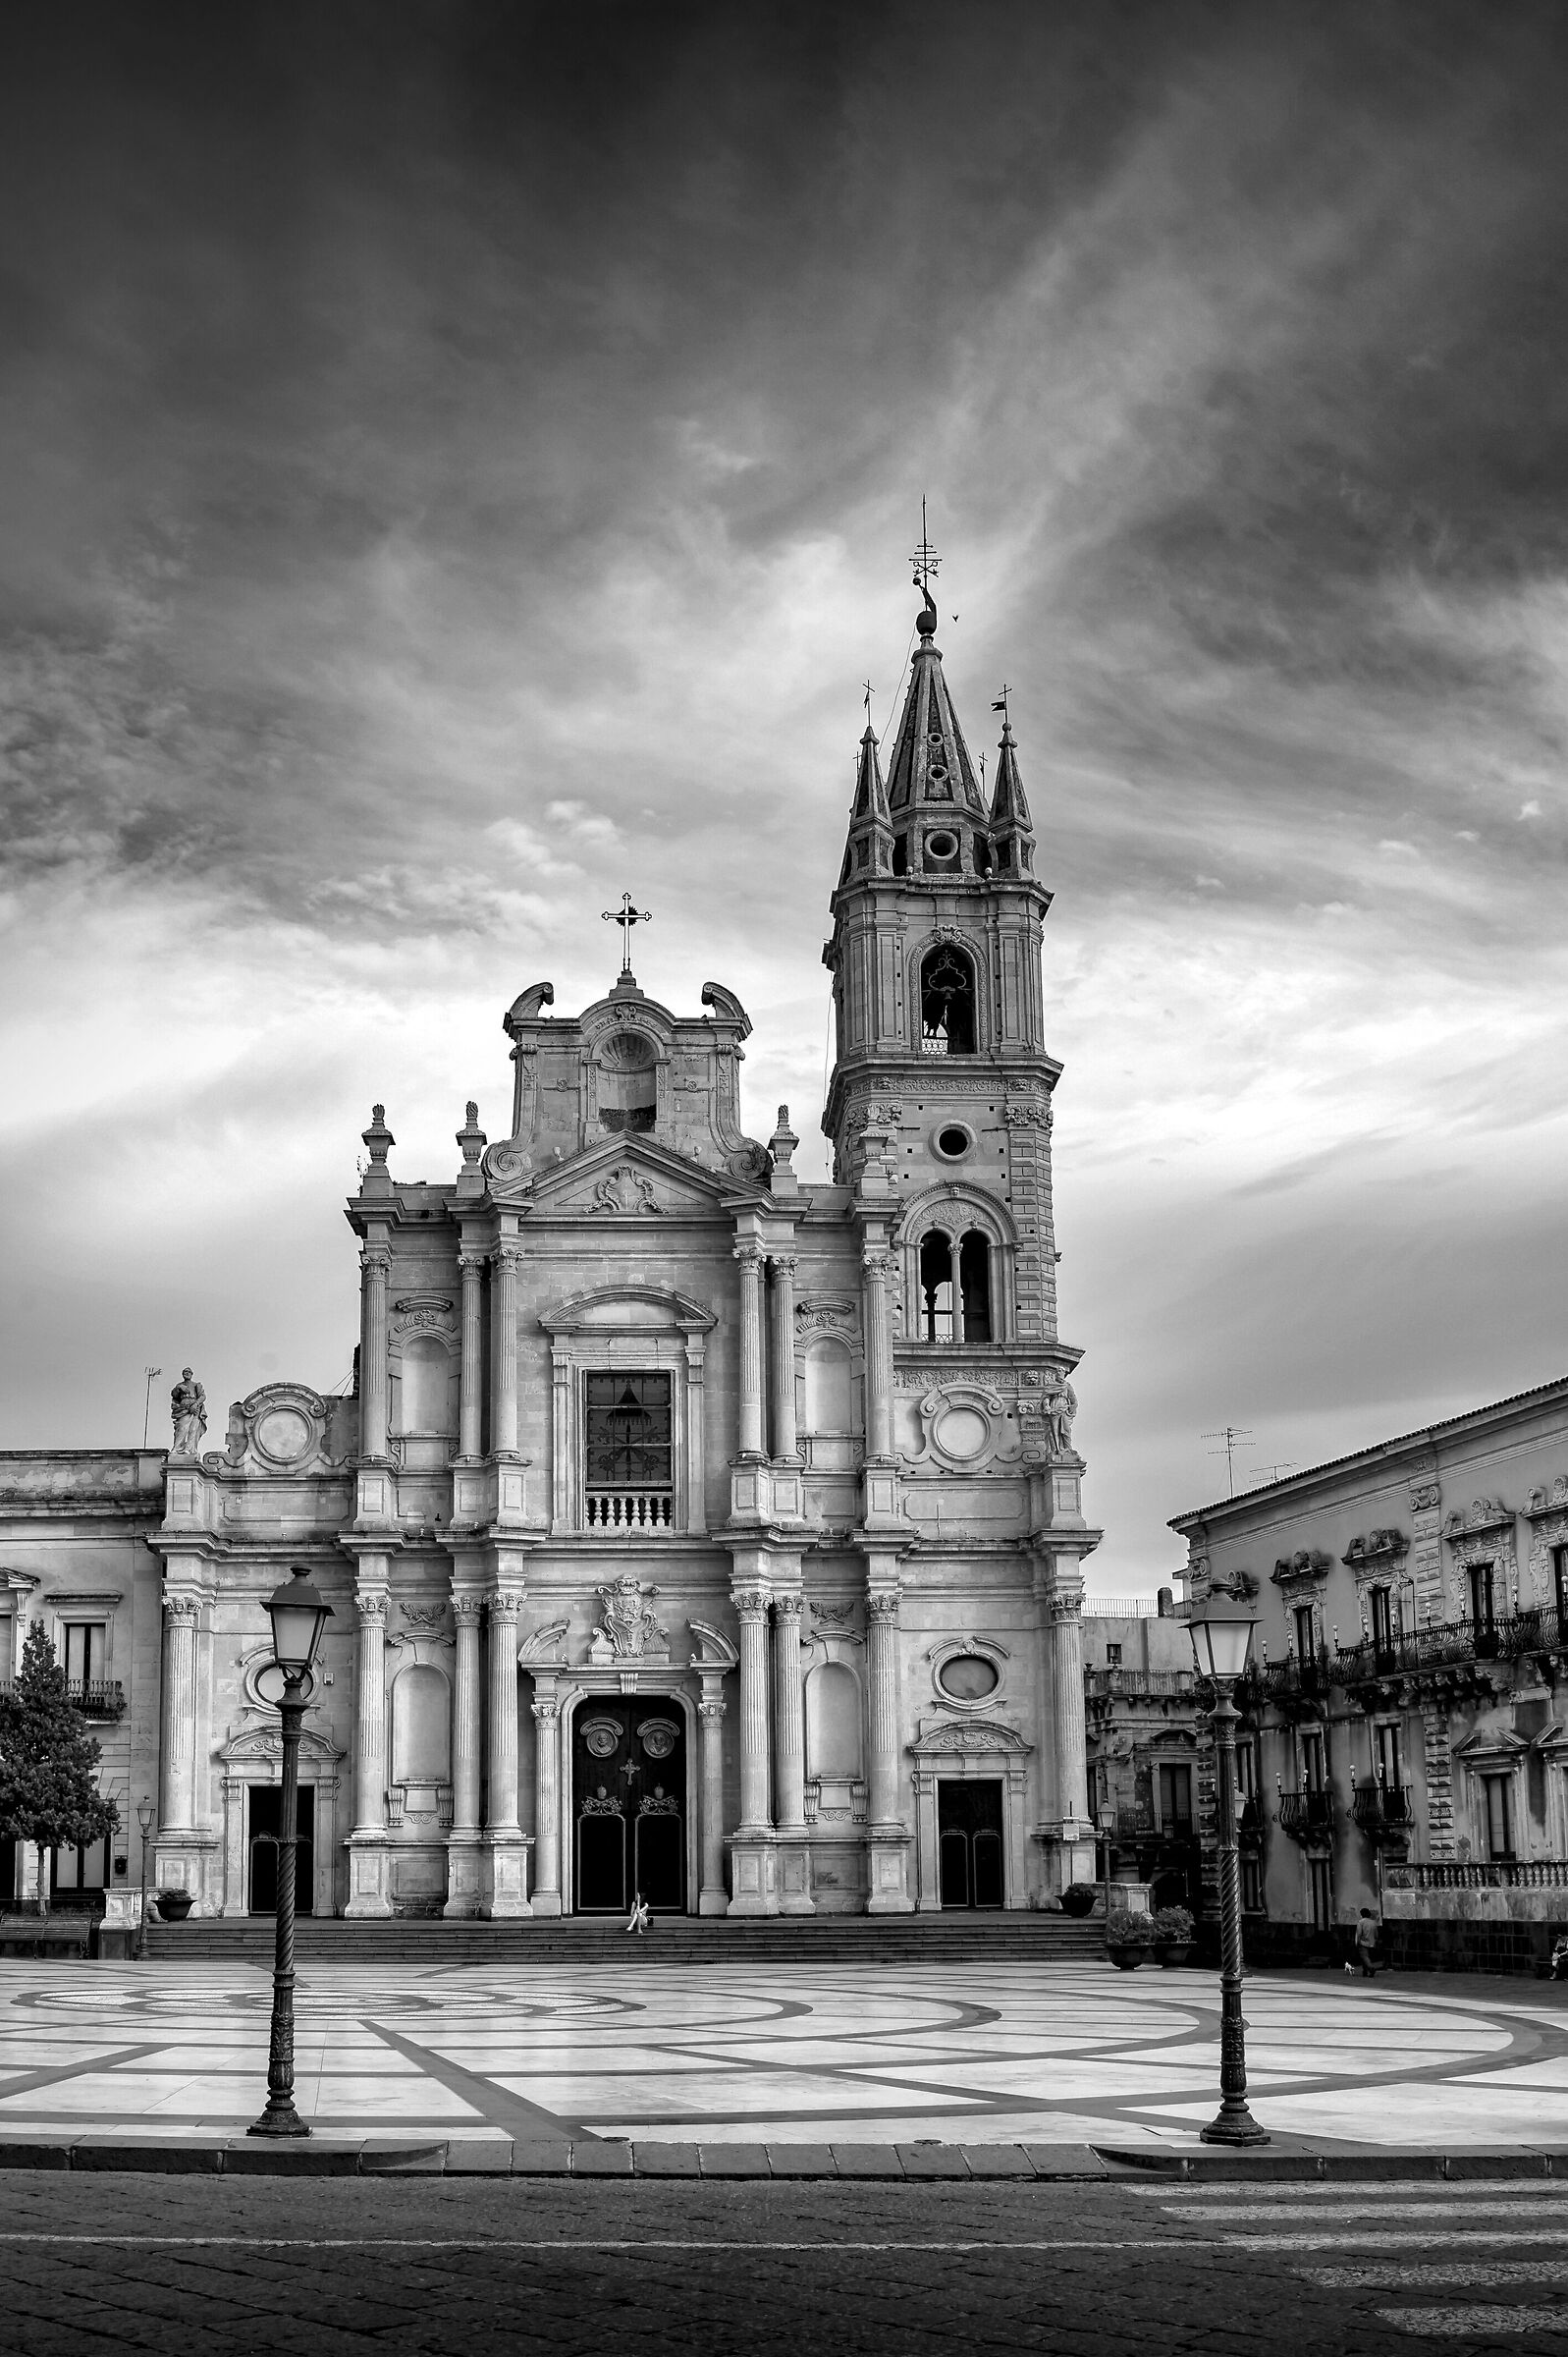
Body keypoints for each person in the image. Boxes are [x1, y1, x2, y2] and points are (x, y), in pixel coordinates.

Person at [1354, 1905, 1381, 1979]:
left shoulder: (1361, 1922)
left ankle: (1371, 1968)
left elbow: (1359, 1933)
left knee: (1364, 1957)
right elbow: (1376, 1934)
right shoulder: (1373, 1923)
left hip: (1363, 1942)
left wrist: (1357, 1942)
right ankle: (1365, 1971)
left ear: (1361, 1914)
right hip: (1372, 1943)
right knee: (1367, 1957)